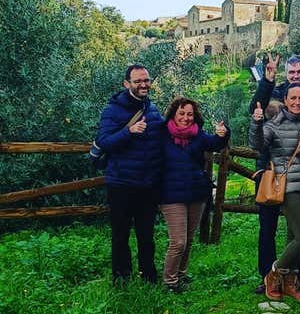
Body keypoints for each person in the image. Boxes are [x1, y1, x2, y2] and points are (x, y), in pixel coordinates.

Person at [248, 54, 300, 295]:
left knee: (297, 229)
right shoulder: (274, 94)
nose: (296, 76)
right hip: (271, 172)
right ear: (286, 75)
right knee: (267, 227)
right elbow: (255, 109)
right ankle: (266, 277)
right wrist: (267, 81)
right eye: (291, 73)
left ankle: (294, 277)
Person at [96, 64, 165, 285]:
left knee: (146, 235)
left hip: (148, 184)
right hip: (121, 183)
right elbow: (104, 141)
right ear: (127, 84)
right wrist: (128, 131)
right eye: (138, 81)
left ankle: (149, 276)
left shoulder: (152, 109)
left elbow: (163, 140)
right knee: (120, 234)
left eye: (147, 80)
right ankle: (121, 277)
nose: (144, 84)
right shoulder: (112, 110)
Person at [159, 97, 229, 292]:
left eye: (190, 114)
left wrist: (223, 134)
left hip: (196, 193)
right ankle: (169, 282)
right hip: (170, 195)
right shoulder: (162, 135)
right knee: (178, 241)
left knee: (189, 239)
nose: (186, 118)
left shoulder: (198, 135)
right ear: (174, 114)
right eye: (182, 113)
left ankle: (181, 276)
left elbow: (215, 143)